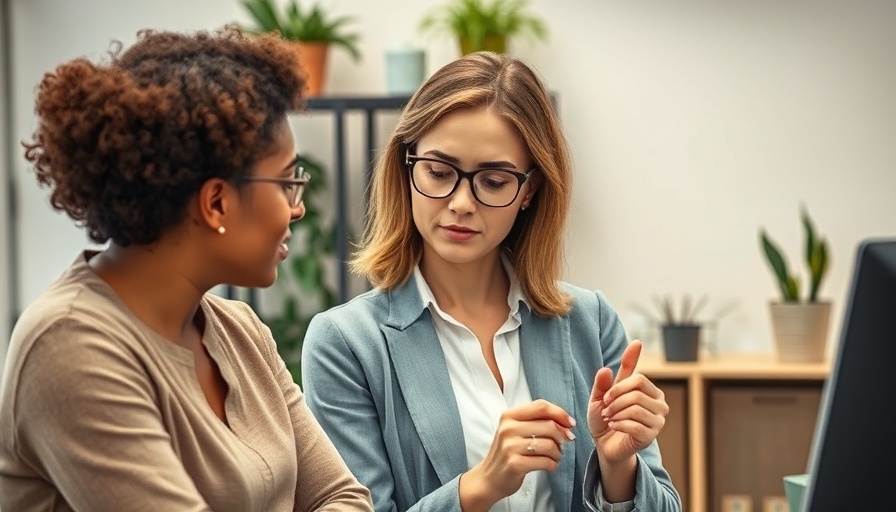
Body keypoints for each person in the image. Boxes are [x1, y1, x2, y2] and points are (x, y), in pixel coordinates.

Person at [0, 27, 372, 511]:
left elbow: (343, 496)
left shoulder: (240, 331)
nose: (297, 208)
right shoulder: (70, 346)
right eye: (286, 183)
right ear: (216, 202)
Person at [301, 51, 682, 512]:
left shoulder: (591, 321)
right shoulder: (346, 343)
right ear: (407, 168)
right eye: (439, 173)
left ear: (530, 190)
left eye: (494, 181)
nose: (461, 202)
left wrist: (619, 468)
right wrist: (480, 486)